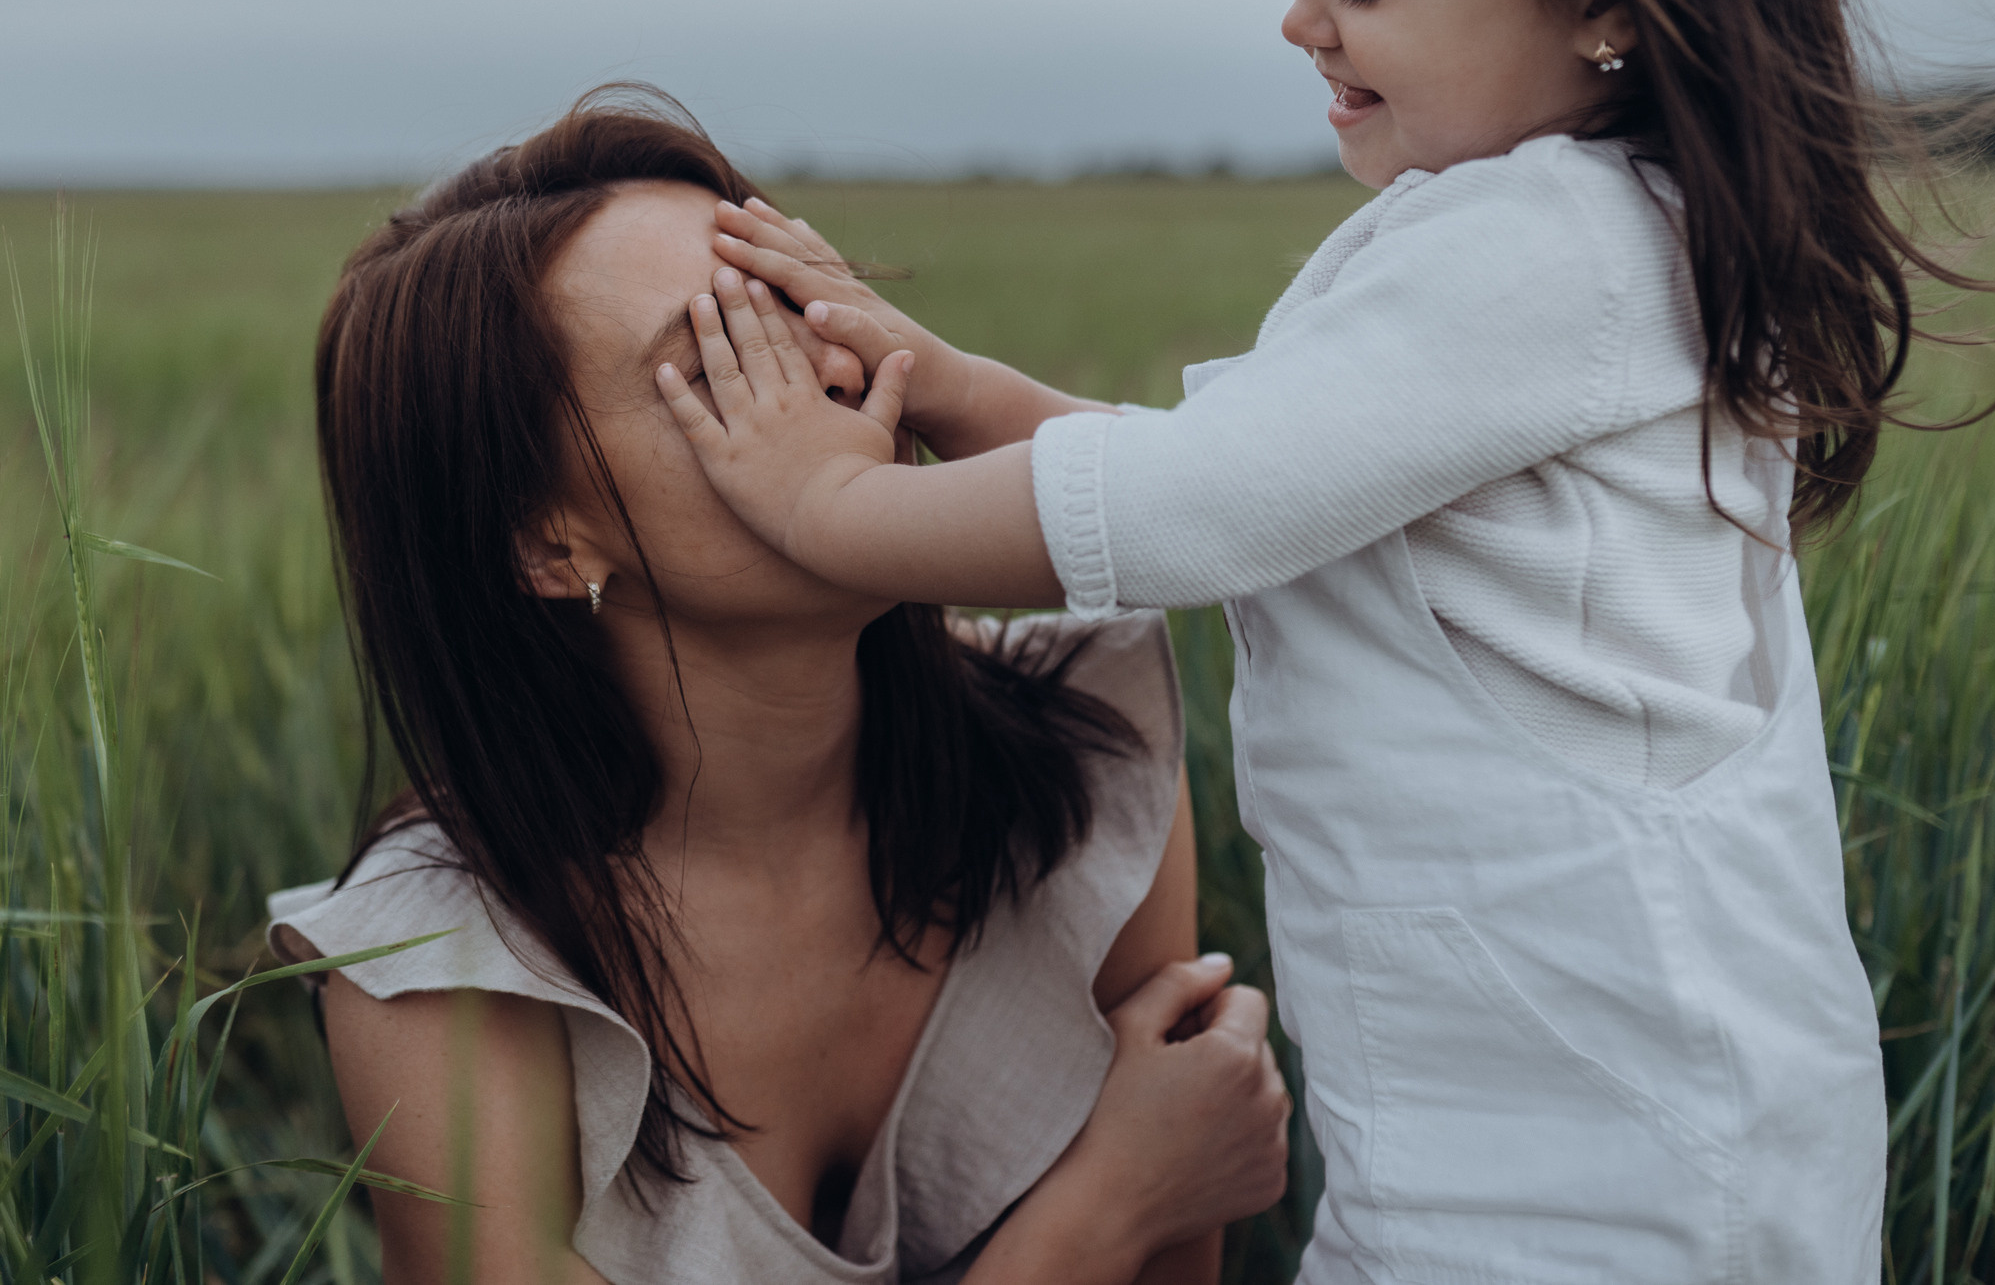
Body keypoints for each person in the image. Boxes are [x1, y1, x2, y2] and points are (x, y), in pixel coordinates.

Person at [653, 0, 1982, 1277]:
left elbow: (1203, 509)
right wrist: (952, 378)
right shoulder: (1612, 241)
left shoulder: (1535, 247)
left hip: (1592, 1171)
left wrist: (828, 512)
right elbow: (1281, 489)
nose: (1303, 19)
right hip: (1601, 1120)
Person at [266, 91, 1291, 1285]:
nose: (833, 375)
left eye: (800, 302)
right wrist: (1105, 1206)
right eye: (714, 358)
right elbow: (1148, 1215)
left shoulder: (1079, 749)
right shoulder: (444, 959)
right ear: (544, 548)